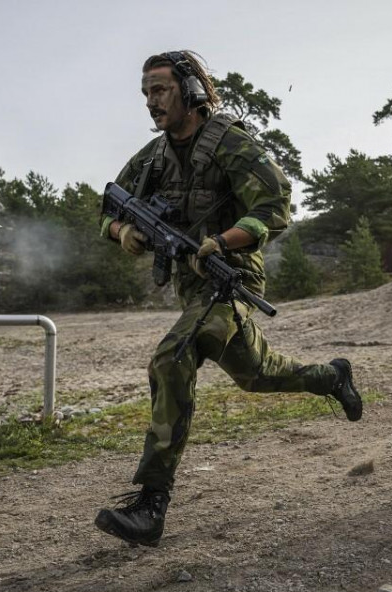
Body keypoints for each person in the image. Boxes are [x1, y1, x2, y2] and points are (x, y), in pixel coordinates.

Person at [95, 50, 363, 548]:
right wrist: (121, 230)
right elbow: (107, 204)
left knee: (171, 359)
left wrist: (226, 240)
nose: (151, 102)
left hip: (230, 276)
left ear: (191, 90)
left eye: (161, 90)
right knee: (256, 375)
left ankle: (151, 504)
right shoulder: (152, 158)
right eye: (146, 93)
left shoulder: (228, 143)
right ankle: (332, 376)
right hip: (192, 286)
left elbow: (276, 206)